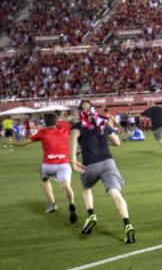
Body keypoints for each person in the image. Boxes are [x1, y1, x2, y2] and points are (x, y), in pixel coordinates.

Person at [69, 101, 135, 243]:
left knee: (86, 189)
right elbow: (117, 142)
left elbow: (73, 138)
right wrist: (103, 142)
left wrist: (73, 159)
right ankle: (127, 224)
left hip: (90, 165)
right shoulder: (103, 123)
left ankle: (91, 214)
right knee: (115, 193)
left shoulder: (78, 126)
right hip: (108, 163)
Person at [5, 112, 77, 220]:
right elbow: (75, 139)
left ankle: (52, 204)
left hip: (48, 165)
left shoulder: (42, 132)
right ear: (56, 122)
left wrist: (8, 142)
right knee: (67, 186)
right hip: (63, 164)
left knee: (44, 179)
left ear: (45, 122)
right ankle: (71, 204)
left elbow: (22, 143)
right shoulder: (65, 131)